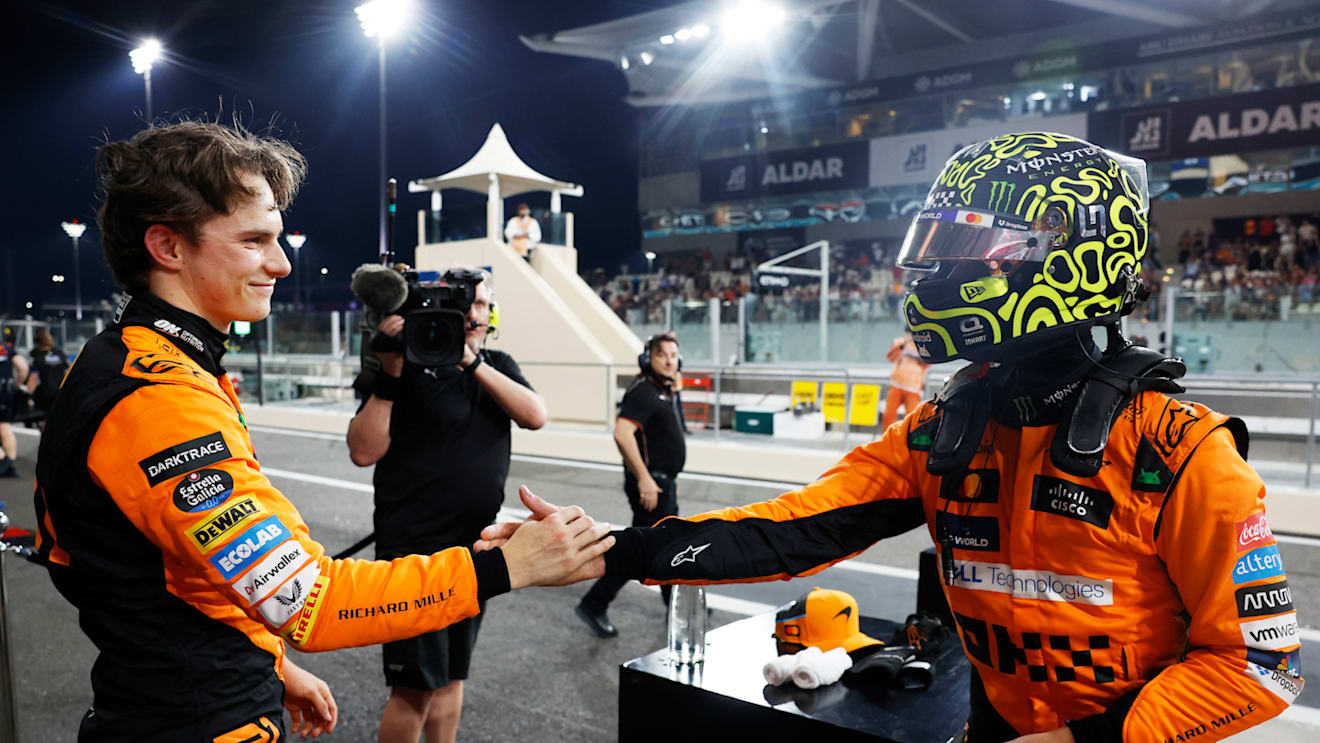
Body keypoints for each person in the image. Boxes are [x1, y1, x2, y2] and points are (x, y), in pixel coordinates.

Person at [484, 133, 1303, 741]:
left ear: (1065, 256)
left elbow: (1262, 665)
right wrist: (608, 549)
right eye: (933, 248)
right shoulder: (950, 423)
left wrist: (1083, 739)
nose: (933, 274)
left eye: (962, 248)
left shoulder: (1180, 450)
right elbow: (796, 526)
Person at [33, 121, 612, 742]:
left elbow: (181, 578)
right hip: (195, 719)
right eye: (254, 241)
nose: (281, 264)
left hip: (177, 697)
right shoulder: (159, 400)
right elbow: (312, 602)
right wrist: (507, 568)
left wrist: (273, 665)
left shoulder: (128, 358)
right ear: (168, 248)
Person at [346, 270, 547, 743]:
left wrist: (472, 363)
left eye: (482, 305)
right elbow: (362, 450)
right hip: (413, 552)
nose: (474, 314)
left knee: (454, 677)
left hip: (474, 547)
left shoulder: (496, 364)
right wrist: (389, 373)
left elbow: (535, 415)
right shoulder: (404, 365)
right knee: (414, 689)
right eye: (466, 304)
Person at [575, 333, 686, 638]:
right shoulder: (643, 392)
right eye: (662, 354)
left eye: (674, 355)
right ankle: (594, 603)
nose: (669, 360)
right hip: (652, 486)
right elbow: (623, 434)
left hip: (663, 484)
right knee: (645, 549)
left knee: (664, 545)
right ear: (647, 359)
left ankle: (674, 603)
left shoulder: (663, 391)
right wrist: (645, 479)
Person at [882, 331, 929, 428]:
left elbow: (927, 363)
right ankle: (887, 439)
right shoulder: (900, 342)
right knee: (888, 415)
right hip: (896, 385)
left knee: (911, 417)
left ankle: (907, 440)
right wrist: (902, 346)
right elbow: (891, 357)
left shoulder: (923, 346)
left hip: (913, 387)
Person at [0, 338, 30, 477]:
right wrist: (16, 385)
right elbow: (23, 367)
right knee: (4, 426)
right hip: (6, 392)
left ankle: (4, 460)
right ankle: (9, 466)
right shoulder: (5, 347)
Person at [25, 329, 70, 420]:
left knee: (45, 417)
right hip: (61, 392)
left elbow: (34, 378)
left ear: (37, 343)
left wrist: (28, 396)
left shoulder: (36, 354)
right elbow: (68, 371)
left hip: (45, 394)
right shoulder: (59, 353)